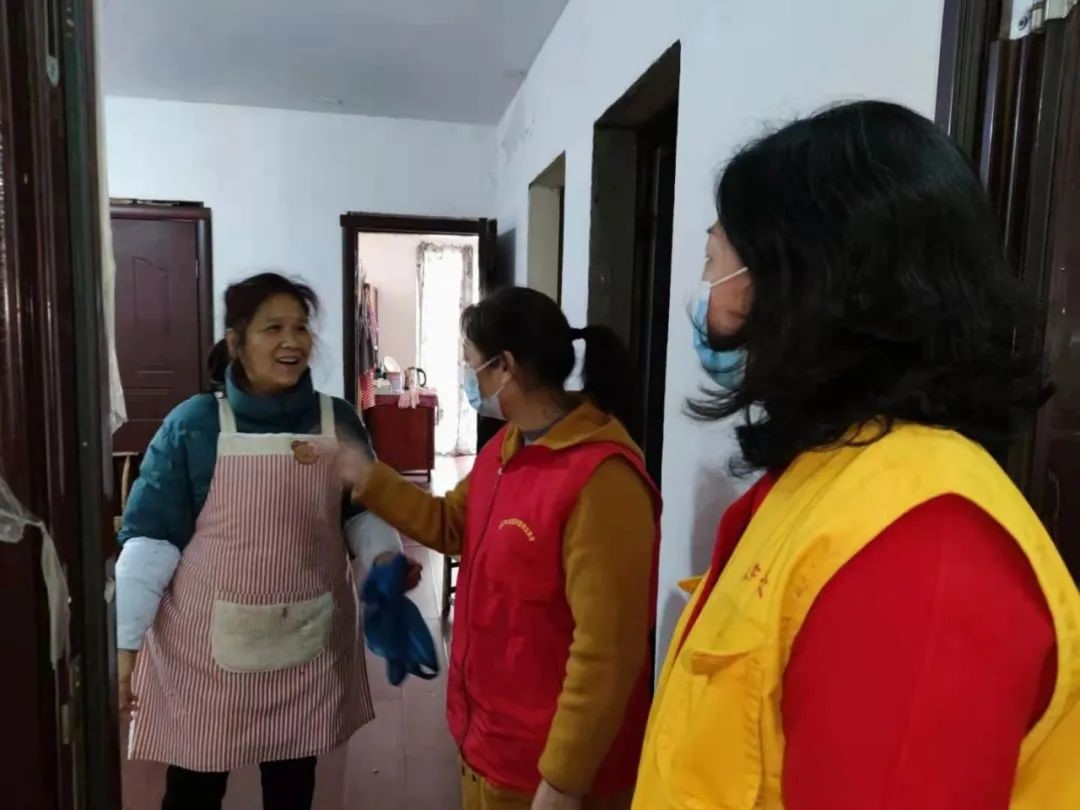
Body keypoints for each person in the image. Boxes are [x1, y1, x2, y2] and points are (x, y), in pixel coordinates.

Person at [634, 101, 1080, 809]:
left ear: (804, 280)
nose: (708, 293)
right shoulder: (822, 481)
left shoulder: (924, 548)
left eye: (715, 257)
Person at [341, 287, 661, 810]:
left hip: (549, 773)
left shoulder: (602, 480)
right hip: (489, 745)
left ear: (504, 366)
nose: (469, 379)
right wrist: (366, 476)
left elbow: (607, 653)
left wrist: (562, 781)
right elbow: (449, 523)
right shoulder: (507, 446)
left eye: (471, 364)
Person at [116, 273, 414, 810]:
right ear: (236, 342)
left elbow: (360, 511)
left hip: (306, 641)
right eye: (273, 327)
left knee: (293, 785)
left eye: (301, 327)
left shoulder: (337, 418)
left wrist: (385, 558)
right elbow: (150, 542)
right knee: (194, 788)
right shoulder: (194, 426)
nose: (293, 341)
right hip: (206, 656)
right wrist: (125, 646)